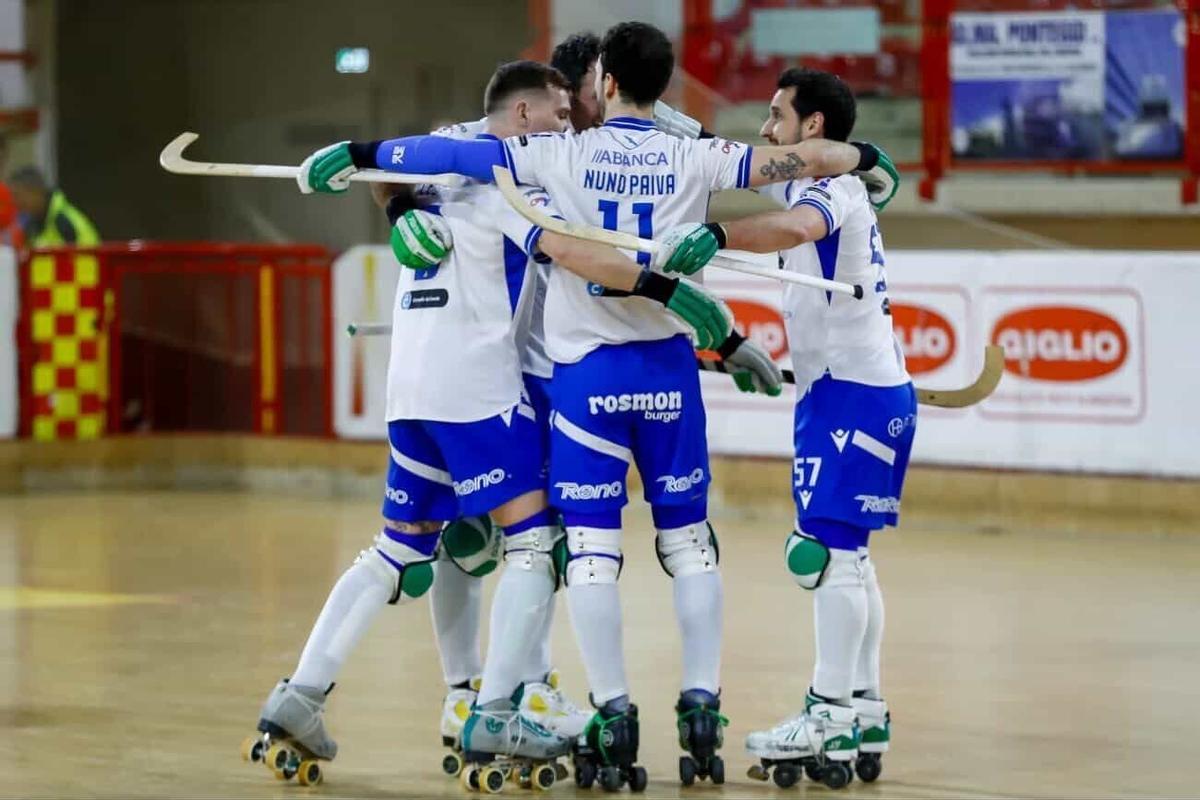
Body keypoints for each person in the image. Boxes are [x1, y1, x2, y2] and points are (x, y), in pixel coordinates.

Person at [295, 20, 896, 788]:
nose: (560, 109)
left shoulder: (554, 149)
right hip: (624, 369)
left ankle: (588, 705)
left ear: (601, 84)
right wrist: (865, 158)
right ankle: (682, 701)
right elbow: (799, 162)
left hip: (572, 375)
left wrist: (360, 152)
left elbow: (438, 155)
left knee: (566, 549)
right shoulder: (689, 149)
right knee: (674, 545)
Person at [252, 59, 741, 788]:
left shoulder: (446, 144)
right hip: (479, 387)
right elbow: (573, 252)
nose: (568, 129)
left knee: (398, 549)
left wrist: (395, 201)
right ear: (524, 115)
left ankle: (300, 697)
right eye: (558, 115)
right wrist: (670, 293)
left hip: (411, 390)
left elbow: (388, 166)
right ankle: (499, 706)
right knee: (535, 540)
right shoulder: (522, 174)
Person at [656, 67, 911, 790]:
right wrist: (669, 126)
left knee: (822, 556)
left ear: (815, 129)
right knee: (848, 557)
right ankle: (861, 706)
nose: (766, 132)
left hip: (853, 397)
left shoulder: (832, 190)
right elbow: (739, 165)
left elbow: (795, 228)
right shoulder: (807, 179)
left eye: (776, 117)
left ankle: (828, 709)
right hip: (851, 394)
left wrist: (714, 234)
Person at [366, 34, 606, 772]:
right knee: (474, 543)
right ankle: (469, 691)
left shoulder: (598, 148)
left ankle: (523, 685)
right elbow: (386, 171)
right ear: (553, 97)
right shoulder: (478, 139)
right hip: (498, 369)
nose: (596, 107)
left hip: (549, 363)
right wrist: (400, 207)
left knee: (543, 541)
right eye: (593, 92)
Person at [8, 166, 99, 248]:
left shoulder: (63, 220)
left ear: (35, 191)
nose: (15, 202)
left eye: (17, 195)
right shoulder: (32, 224)